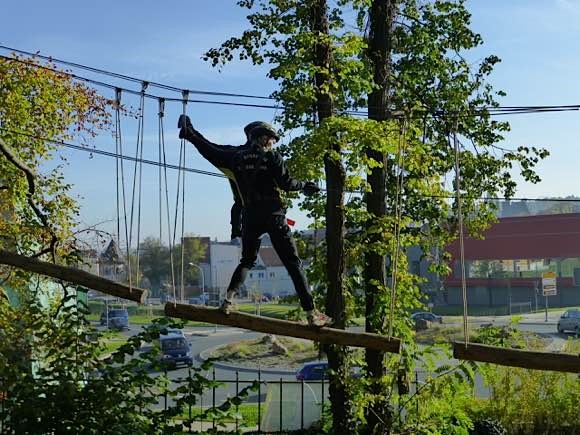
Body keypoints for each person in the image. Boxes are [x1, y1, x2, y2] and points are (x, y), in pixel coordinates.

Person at [178, 115, 332, 327]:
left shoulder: (235, 156)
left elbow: (211, 150)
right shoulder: (272, 157)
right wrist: (306, 185)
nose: (273, 143)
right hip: (274, 214)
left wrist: (191, 134)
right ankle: (312, 314)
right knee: (293, 264)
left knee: (247, 261)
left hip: (250, 216)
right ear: (263, 138)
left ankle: (227, 301)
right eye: (271, 139)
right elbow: (287, 183)